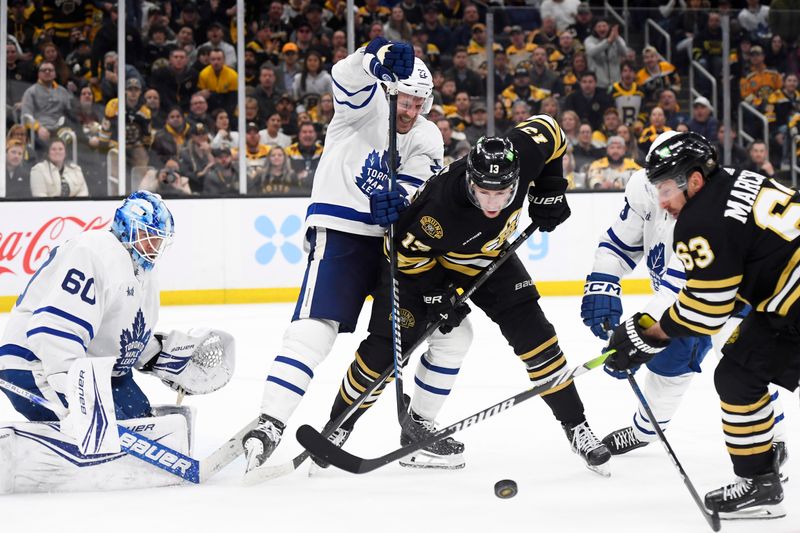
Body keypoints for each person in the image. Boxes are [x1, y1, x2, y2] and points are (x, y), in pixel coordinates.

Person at [313, 121, 613, 475]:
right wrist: (433, 296)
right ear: (470, 179)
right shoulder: (439, 207)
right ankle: (338, 426)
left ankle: (576, 426)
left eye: (502, 194)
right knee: (387, 351)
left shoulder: (525, 152)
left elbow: (554, 132)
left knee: (539, 339)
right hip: (419, 267)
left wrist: (550, 187)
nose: (492, 203)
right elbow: (400, 253)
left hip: (488, 256)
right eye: (483, 192)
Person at [241, 37, 460, 472]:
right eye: (405, 101)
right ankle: (270, 423)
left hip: (395, 246)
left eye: (419, 104)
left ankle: (418, 426)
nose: (410, 111)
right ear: (390, 91)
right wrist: (372, 56)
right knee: (313, 331)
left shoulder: (427, 134)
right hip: (342, 232)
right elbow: (345, 76)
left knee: (450, 334)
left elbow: (417, 186)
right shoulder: (365, 107)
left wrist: (400, 199)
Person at [603, 132, 797, 520]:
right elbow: (731, 285)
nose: (661, 201)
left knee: (739, 374)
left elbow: (707, 310)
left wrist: (649, 336)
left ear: (694, 179)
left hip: (791, 306)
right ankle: (761, 475)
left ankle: (761, 476)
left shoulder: (698, 220)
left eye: (665, 188)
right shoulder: (737, 180)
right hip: (786, 303)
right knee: (738, 374)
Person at [0, 191, 233, 492]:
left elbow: (124, 339)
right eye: (148, 236)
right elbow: (54, 328)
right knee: (106, 436)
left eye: (160, 240)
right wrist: (76, 394)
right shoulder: (95, 252)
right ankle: (42, 460)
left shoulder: (143, 274)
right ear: (126, 228)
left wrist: (166, 359)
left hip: (94, 368)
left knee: (142, 425)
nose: (154, 246)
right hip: (36, 363)